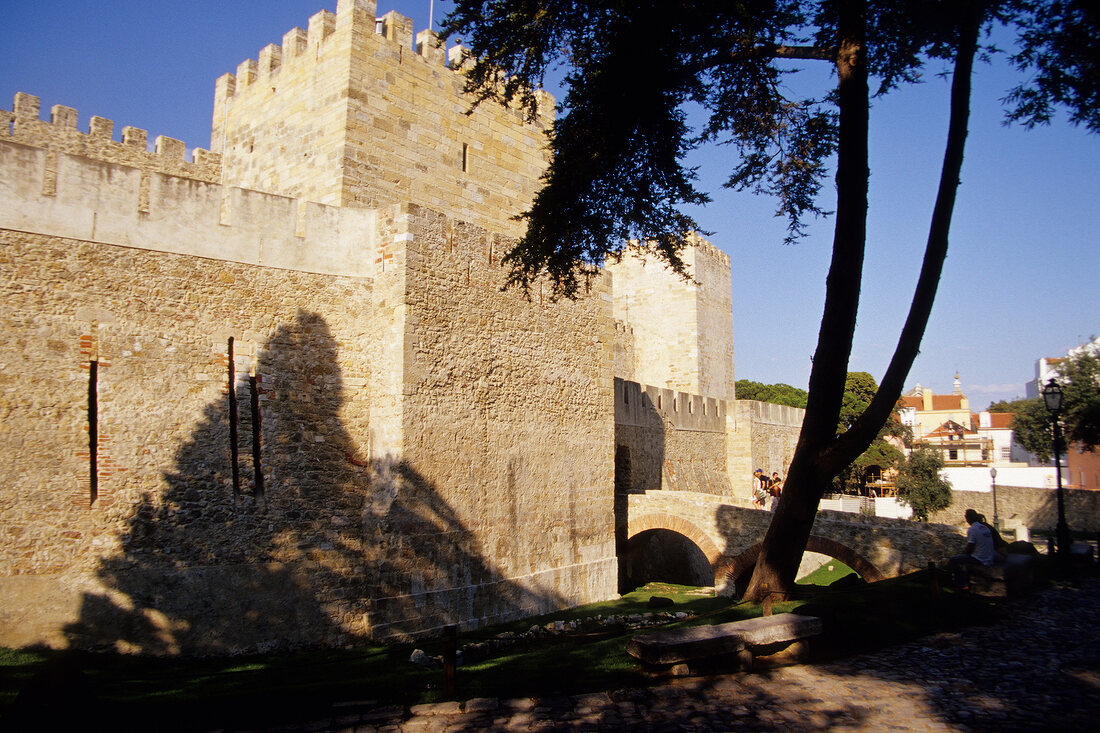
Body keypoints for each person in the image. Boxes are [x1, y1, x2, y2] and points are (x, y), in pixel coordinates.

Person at [949, 508, 997, 589]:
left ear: (968, 519)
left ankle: (961, 584)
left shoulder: (972, 529)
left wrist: (964, 553)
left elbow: (970, 547)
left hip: (980, 558)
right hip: (989, 557)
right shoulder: (984, 527)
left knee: (954, 560)